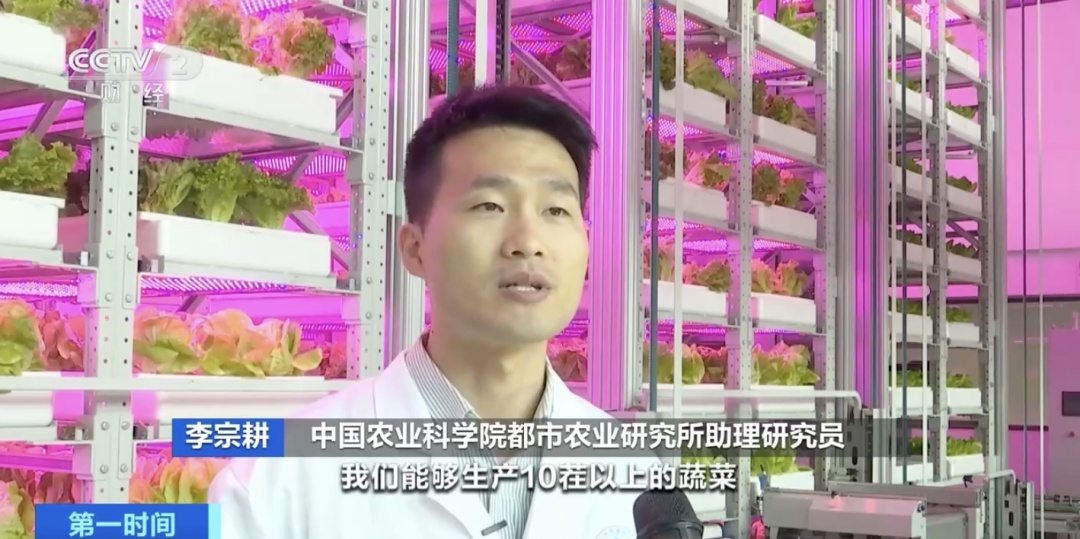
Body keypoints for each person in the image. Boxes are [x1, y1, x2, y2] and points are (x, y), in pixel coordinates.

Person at [209, 85, 655, 539]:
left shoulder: (636, 475)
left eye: (556, 210)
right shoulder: (277, 478)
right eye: (490, 205)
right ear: (415, 249)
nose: (528, 241)